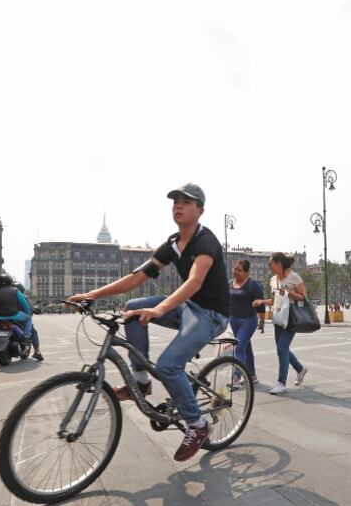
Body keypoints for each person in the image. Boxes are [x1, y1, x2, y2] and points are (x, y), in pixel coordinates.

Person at [68, 183, 230, 462]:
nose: (178, 205)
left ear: (200, 210)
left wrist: (161, 309)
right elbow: (137, 277)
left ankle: (198, 425)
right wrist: (93, 294)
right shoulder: (172, 245)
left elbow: (195, 281)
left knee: (169, 365)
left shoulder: (206, 242)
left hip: (211, 314)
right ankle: (140, 383)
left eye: (186, 202)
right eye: (175, 201)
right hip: (187, 306)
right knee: (132, 309)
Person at [252, 253, 309, 395]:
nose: (269, 266)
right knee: (282, 348)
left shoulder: (294, 277)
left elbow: (303, 298)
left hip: (291, 317)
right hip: (278, 317)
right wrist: (261, 301)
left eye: (271, 263)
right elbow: (274, 300)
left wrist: (289, 293)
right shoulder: (273, 280)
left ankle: (281, 383)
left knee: (282, 348)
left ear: (279, 264)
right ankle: (300, 369)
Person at [0, 275, 44, 361]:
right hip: (17, 317)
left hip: (0, 317)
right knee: (32, 329)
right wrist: (28, 314)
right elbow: (27, 306)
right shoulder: (17, 293)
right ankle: (35, 350)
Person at [229, 259, 265, 387]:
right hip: (234, 321)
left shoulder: (253, 285)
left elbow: (260, 303)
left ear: (246, 272)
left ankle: (236, 377)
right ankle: (252, 376)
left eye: (239, 270)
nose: (236, 272)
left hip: (248, 321)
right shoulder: (230, 283)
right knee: (246, 348)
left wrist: (262, 321)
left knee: (238, 348)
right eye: (235, 269)